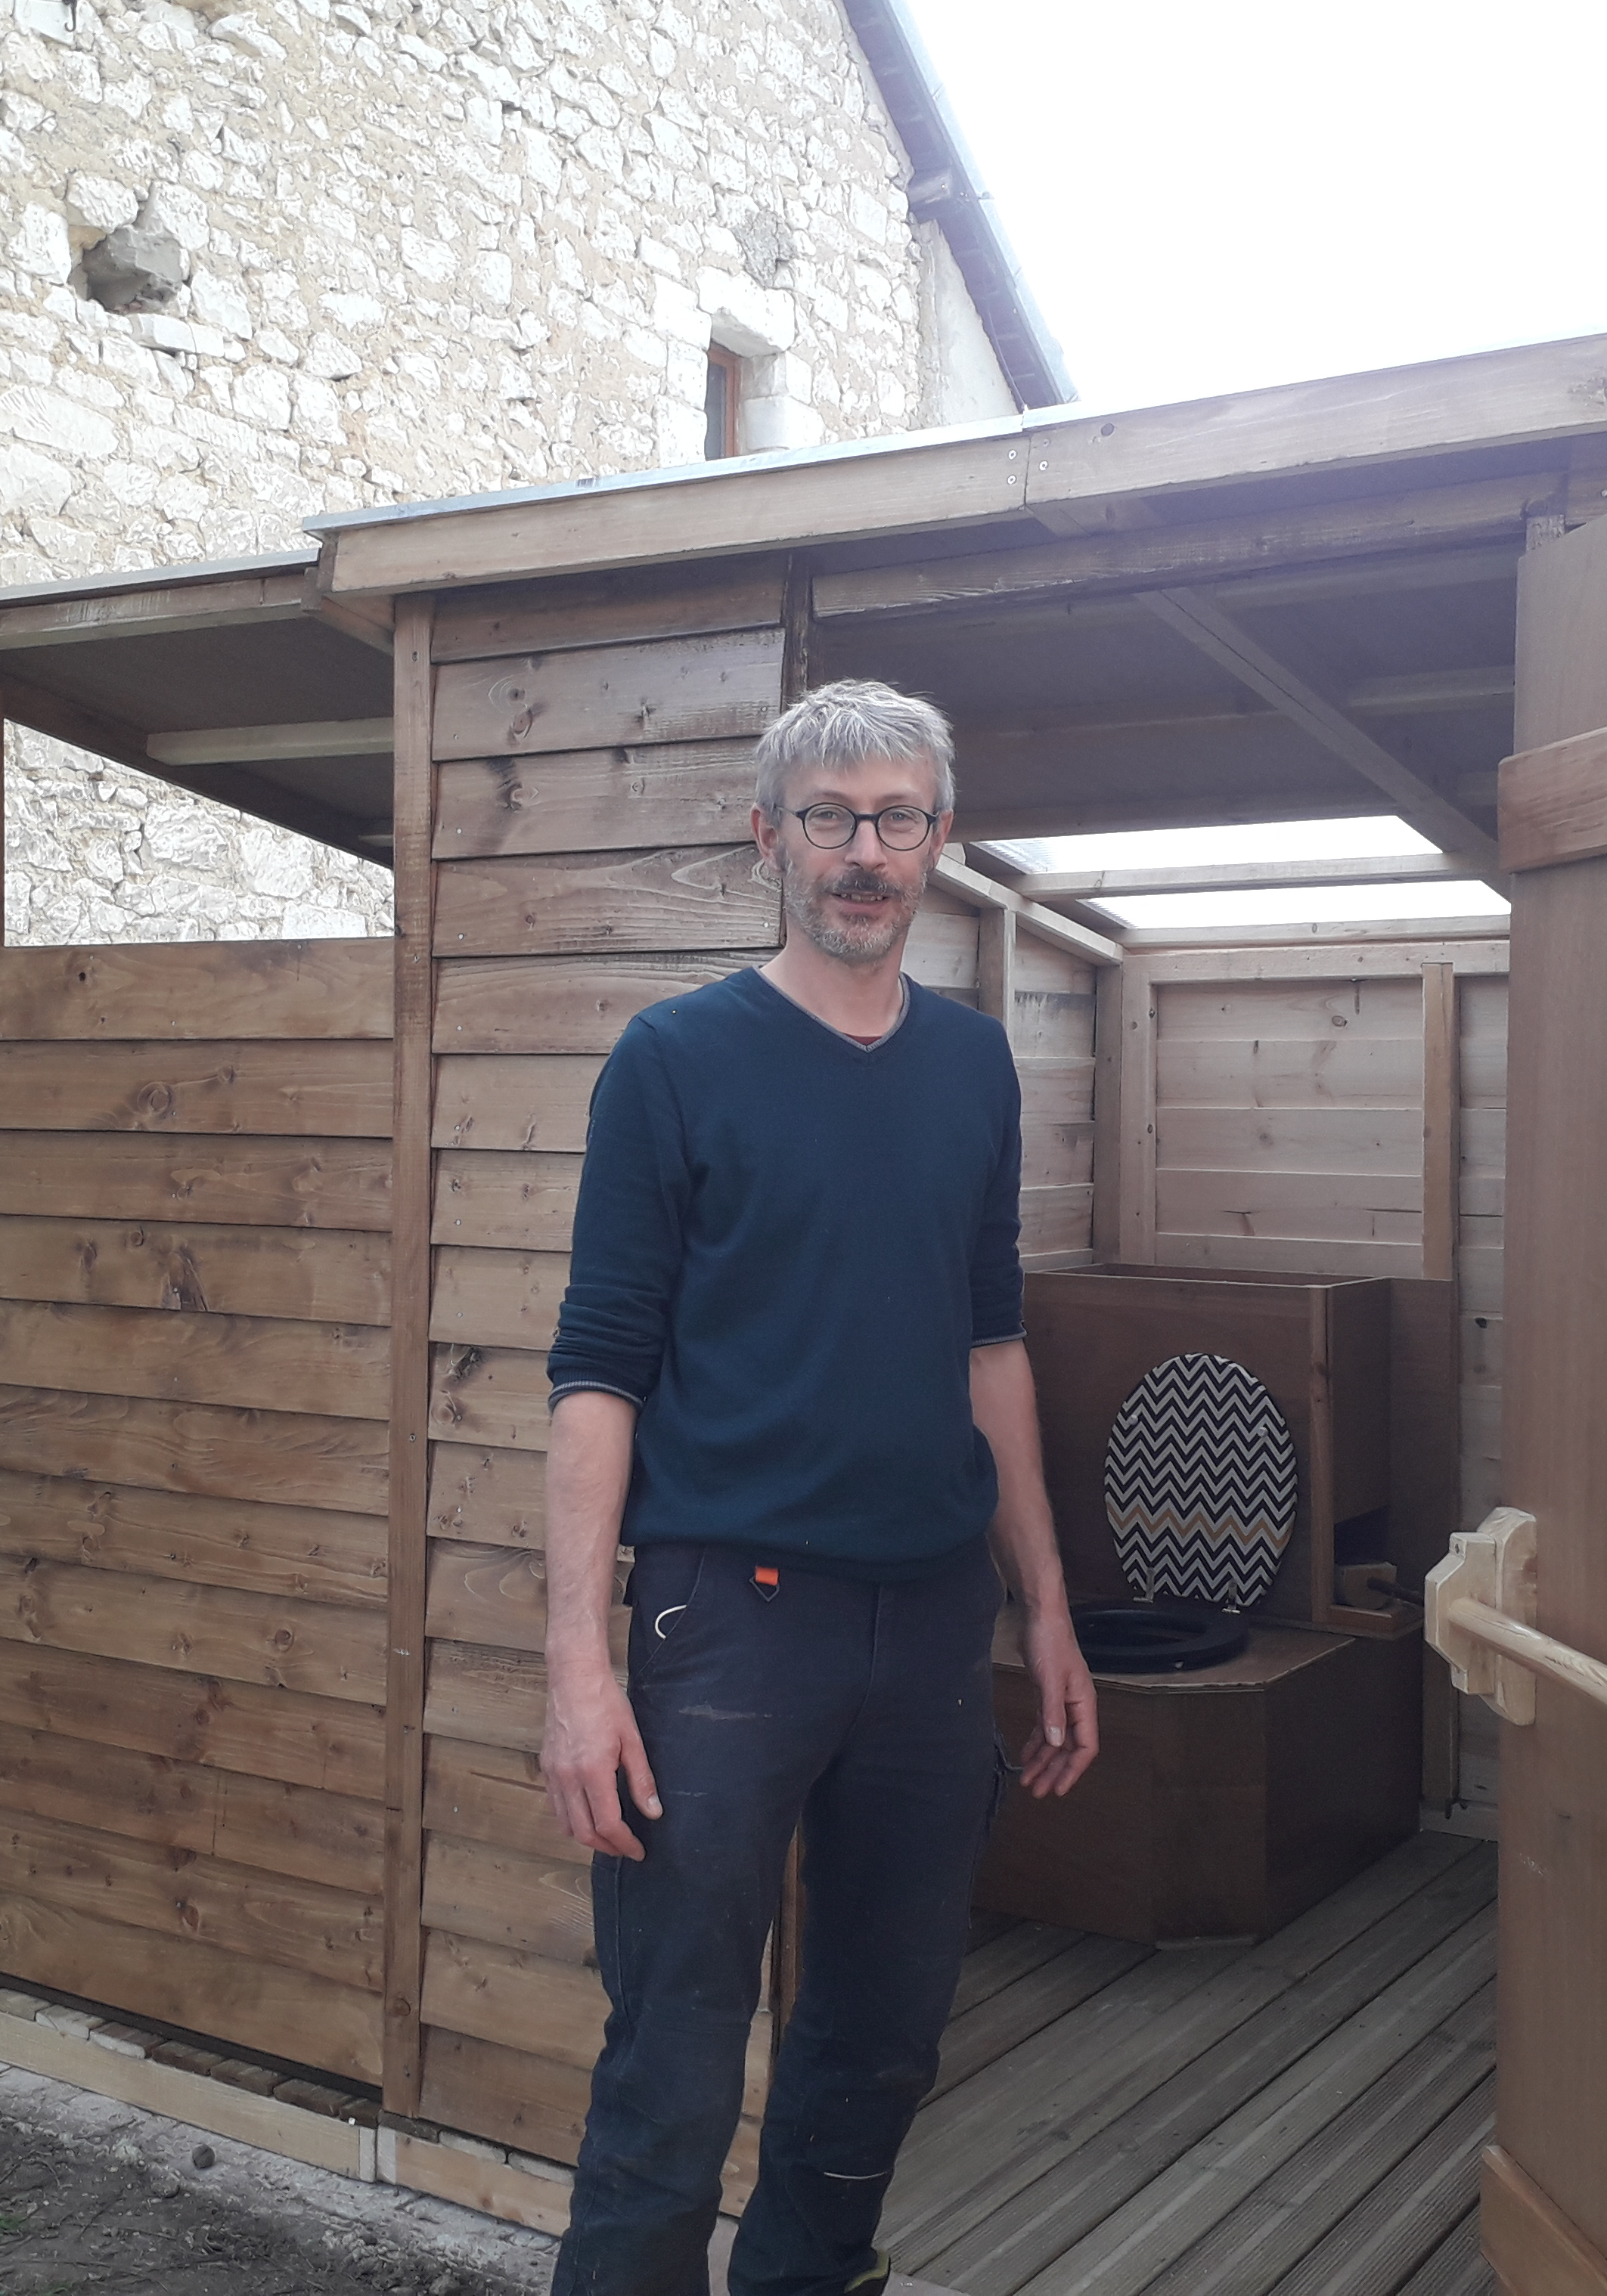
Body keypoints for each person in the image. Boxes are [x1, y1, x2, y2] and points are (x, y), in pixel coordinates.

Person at [538, 679, 1100, 2296]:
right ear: (768, 834)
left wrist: (1046, 1608)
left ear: (943, 840)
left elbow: (993, 1348)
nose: (866, 852)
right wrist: (581, 1668)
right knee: (673, 2062)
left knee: (877, 2046)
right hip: (726, 1627)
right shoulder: (675, 1060)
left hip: (927, 1631)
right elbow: (598, 1375)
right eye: (832, 818)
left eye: (897, 818)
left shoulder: (975, 1069)